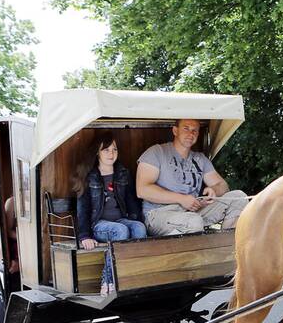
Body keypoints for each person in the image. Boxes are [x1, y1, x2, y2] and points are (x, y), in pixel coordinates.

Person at [136, 119, 248, 236]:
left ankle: (227, 248)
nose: (191, 133)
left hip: (192, 212)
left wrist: (213, 191)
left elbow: (223, 185)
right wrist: (181, 199)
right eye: (186, 128)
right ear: (175, 131)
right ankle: (179, 251)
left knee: (239, 197)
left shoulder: (200, 159)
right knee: (193, 222)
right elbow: (143, 190)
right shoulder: (156, 152)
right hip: (159, 214)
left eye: (195, 130)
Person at [75, 132, 147, 295]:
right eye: (106, 150)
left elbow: (131, 202)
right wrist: (85, 236)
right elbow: (83, 207)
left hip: (121, 220)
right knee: (120, 231)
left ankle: (135, 275)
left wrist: (137, 219)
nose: (111, 153)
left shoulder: (122, 173)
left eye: (114, 149)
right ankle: (108, 280)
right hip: (99, 225)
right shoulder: (88, 176)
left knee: (139, 228)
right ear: (97, 153)